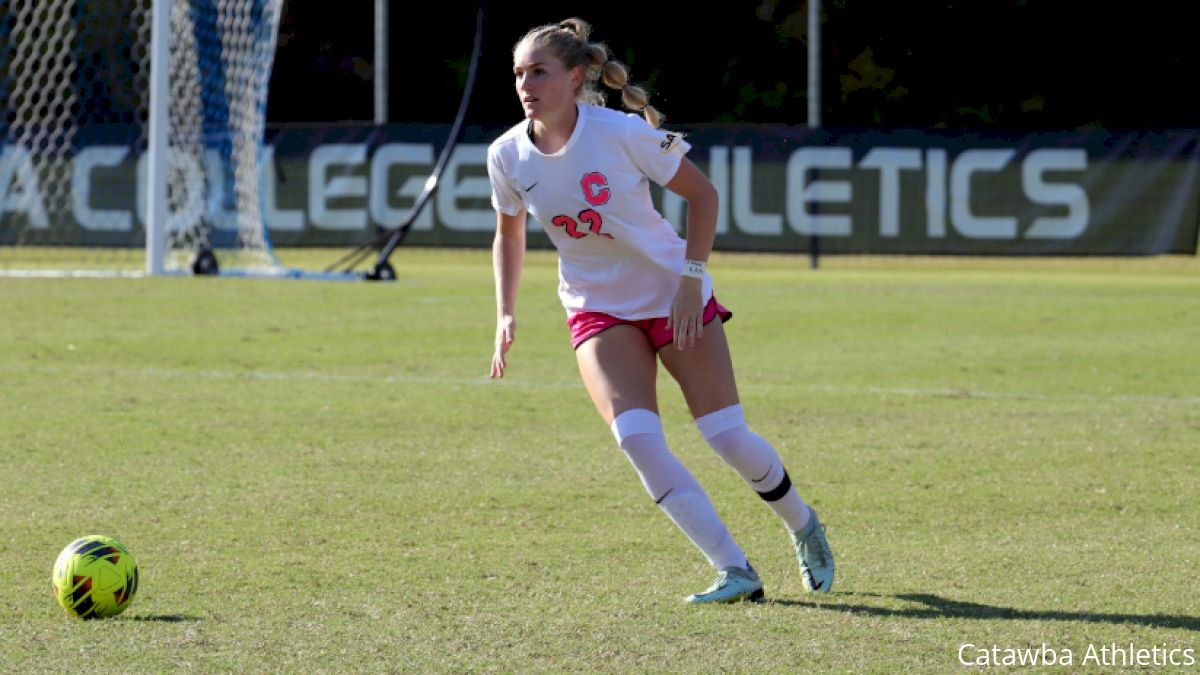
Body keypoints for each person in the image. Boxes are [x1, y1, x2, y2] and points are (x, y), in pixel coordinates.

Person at [486, 17, 834, 603]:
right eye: (519, 73)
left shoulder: (621, 132)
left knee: (726, 436)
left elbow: (703, 195)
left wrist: (691, 282)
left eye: (539, 71)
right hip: (596, 308)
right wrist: (505, 312)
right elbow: (509, 234)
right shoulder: (506, 154)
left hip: (674, 293)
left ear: (575, 77)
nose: (526, 83)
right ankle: (735, 570)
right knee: (638, 439)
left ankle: (804, 525)